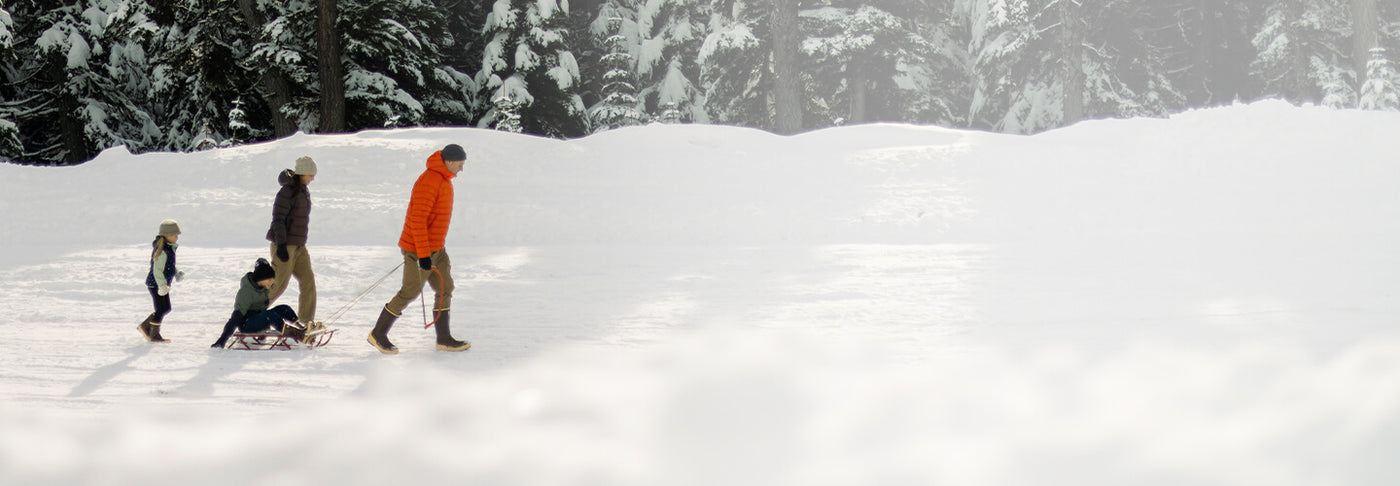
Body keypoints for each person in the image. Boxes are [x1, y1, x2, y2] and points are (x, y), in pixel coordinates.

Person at [368, 144, 471, 354]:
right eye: (460, 163)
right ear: (449, 161)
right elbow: (417, 220)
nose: (462, 168)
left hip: (437, 250)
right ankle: (378, 334)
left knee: (446, 287)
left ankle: (443, 339)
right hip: (418, 250)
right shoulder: (429, 181)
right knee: (410, 292)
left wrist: (435, 250)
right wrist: (423, 255)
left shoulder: (444, 181)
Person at [266, 156, 319, 327]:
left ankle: (305, 321)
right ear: (302, 173)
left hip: (299, 245)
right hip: (284, 245)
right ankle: (250, 316)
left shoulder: (302, 190)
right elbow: (278, 220)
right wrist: (281, 245)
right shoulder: (287, 192)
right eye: (311, 174)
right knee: (279, 285)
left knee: (308, 281)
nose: (313, 178)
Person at [211, 258, 306, 348]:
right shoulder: (246, 293)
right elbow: (236, 317)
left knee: (283, 308)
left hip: (258, 319)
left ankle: (300, 327)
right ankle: (294, 334)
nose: (272, 282)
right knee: (270, 315)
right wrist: (222, 340)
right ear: (260, 278)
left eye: (272, 279)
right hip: (246, 325)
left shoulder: (263, 288)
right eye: (269, 279)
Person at [139, 219, 184, 343]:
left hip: (162, 284)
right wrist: (162, 285)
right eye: (174, 234)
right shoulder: (162, 250)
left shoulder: (169, 248)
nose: (176, 237)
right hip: (156, 284)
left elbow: (169, 265)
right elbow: (157, 271)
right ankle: (154, 335)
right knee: (162, 309)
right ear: (167, 236)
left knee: (165, 308)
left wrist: (176, 273)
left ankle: (145, 327)